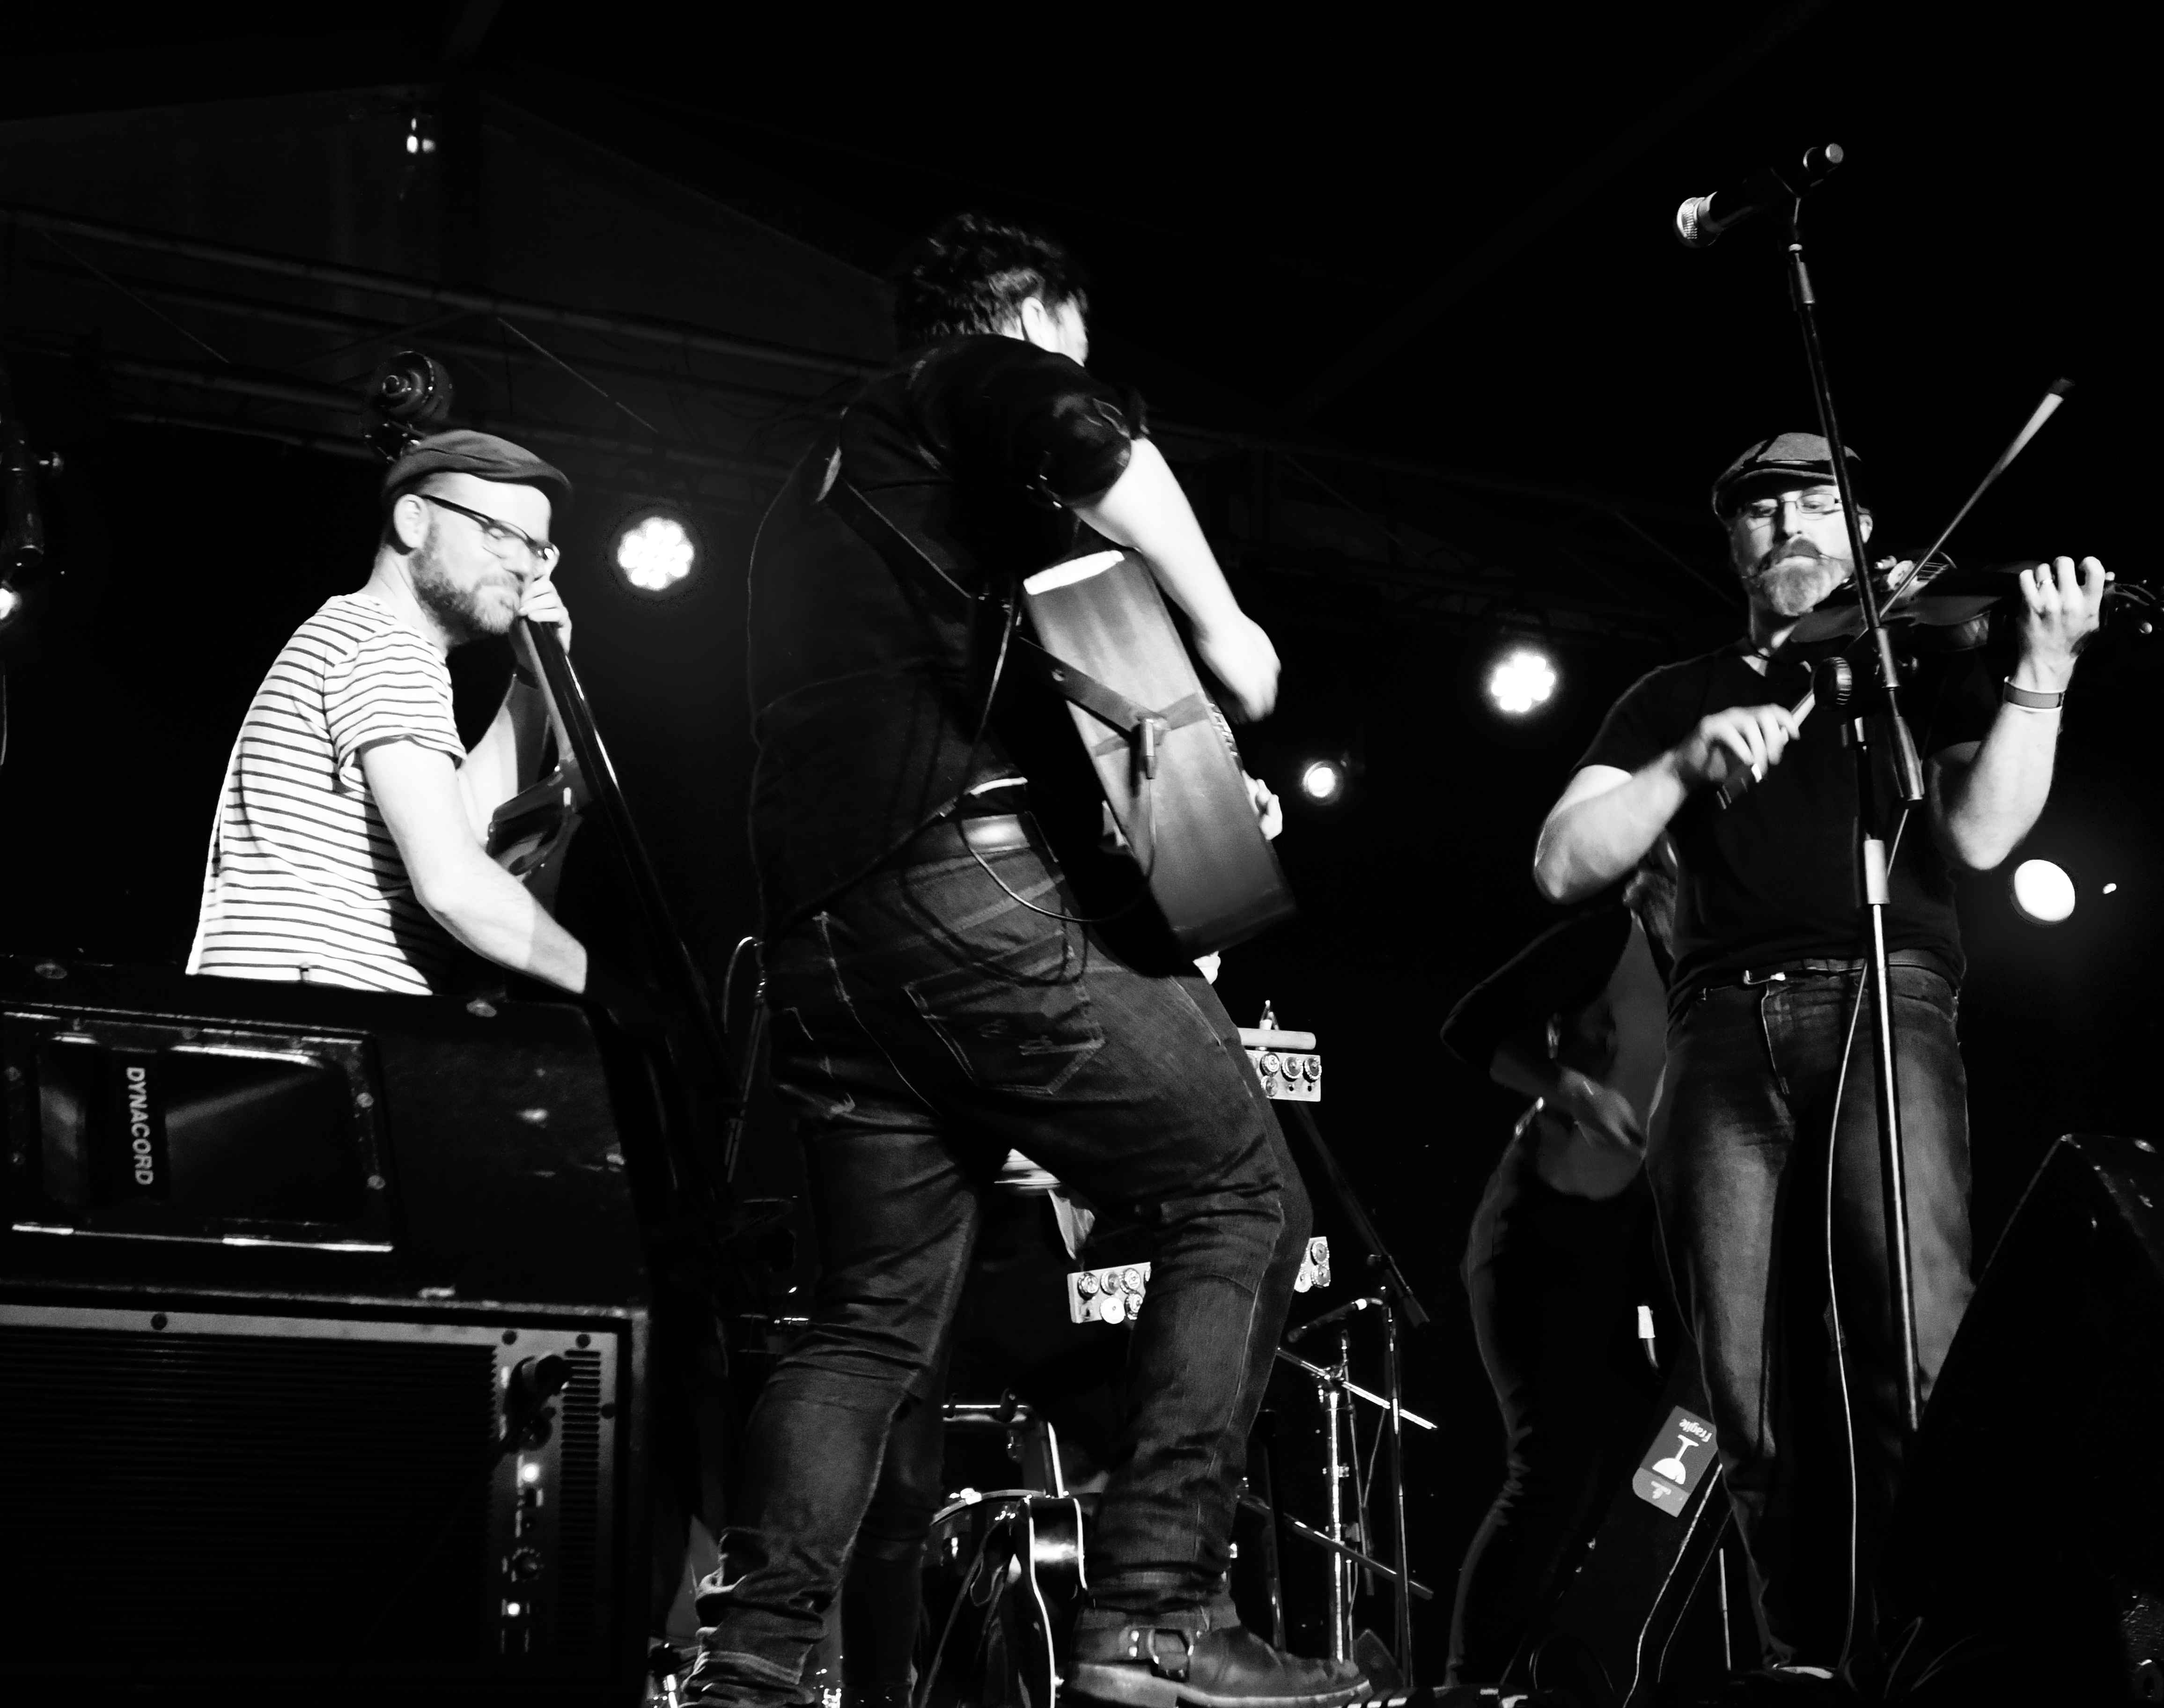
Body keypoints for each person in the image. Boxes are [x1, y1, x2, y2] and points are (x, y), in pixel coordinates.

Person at [683, 214, 1363, 1708]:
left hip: (825, 943)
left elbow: (985, 698)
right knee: (1244, 1195)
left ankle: (749, 1662)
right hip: (964, 891)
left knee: (866, 1320)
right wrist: (1232, 629)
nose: (1081, 372)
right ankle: (1158, 1609)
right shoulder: (966, 378)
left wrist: (1194, 800)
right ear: (1030, 318)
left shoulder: (826, 487)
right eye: (1074, 346)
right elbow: (1092, 438)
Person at [1530, 433, 2104, 1698]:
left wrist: (2041, 675)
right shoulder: (1673, 694)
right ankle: (1798, 1658)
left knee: (1913, 1334)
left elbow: (1984, 836)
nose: (1786, 524)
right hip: (1715, 1030)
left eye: (1814, 503)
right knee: (1736, 1380)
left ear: (1863, 533)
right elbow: (1564, 862)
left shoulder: (1908, 673)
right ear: (1732, 543)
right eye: (1759, 510)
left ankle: (1936, 1651)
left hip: (1882, 997)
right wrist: (1680, 764)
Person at [188, 431, 591, 999]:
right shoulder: (386, 646)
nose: (523, 566)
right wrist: (612, 989)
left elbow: (469, 829)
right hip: (315, 1016)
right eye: (500, 533)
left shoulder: (362, 638)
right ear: (413, 521)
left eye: (538, 549)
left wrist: (532, 677)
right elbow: (454, 884)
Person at [1437, 853, 1675, 1686]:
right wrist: (1575, 1090)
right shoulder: (1614, 939)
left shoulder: (1720, 975)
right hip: (1540, 1233)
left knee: (1674, 1455)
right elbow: (1471, 1025)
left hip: (1628, 1250)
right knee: (1553, 1474)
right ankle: (1473, 1684)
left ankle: (1592, 1663)